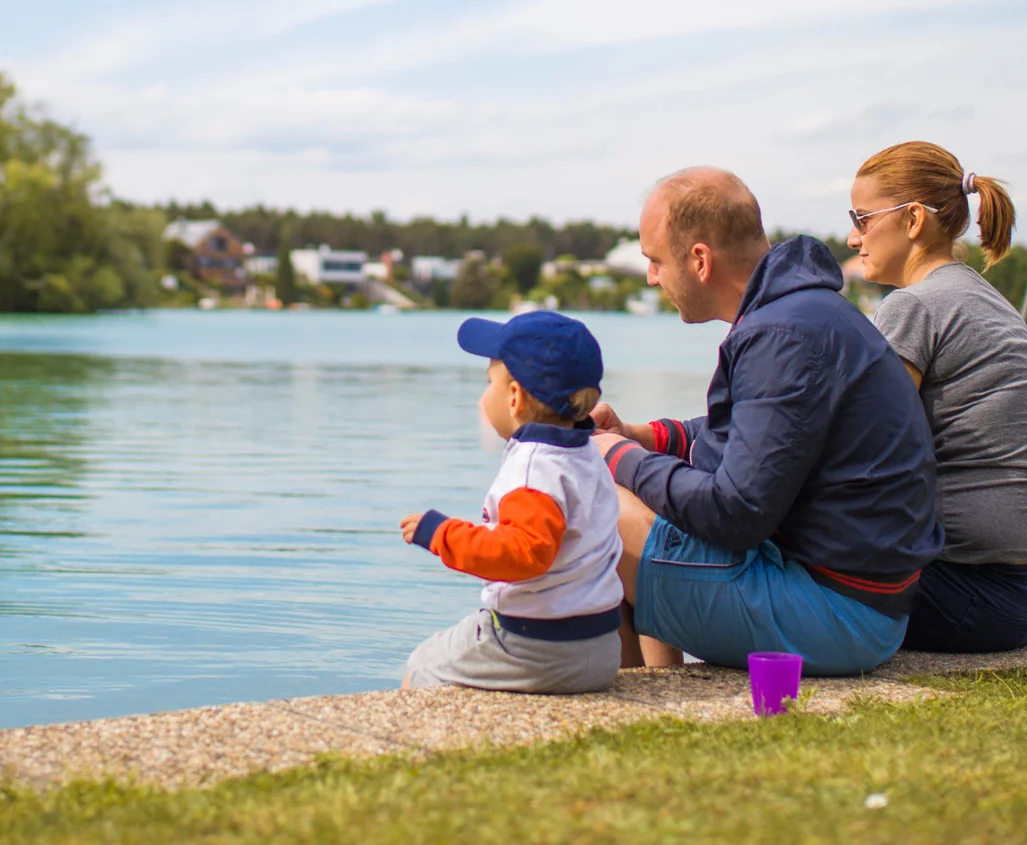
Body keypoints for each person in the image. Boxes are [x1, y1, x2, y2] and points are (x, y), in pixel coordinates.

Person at [591, 167, 943, 675]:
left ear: (700, 260)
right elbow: (754, 432)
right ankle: (656, 684)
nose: (651, 277)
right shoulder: (801, 311)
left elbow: (735, 513)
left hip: (838, 616)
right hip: (855, 598)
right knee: (625, 492)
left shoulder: (781, 335)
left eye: (655, 260)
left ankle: (648, 691)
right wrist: (640, 437)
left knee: (594, 505)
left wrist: (617, 457)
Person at [848, 141, 1027, 653]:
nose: (852, 235)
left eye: (862, 218)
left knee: (769, 560)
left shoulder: (913, 305)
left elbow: (866, 449)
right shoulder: (981, 296)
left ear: (911, 220)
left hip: (976, 594)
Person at [399, 311, 624, 692]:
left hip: (537, 647)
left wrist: (442, 533)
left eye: (490, 383)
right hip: (600, 646)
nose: (484, 395)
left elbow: (524, 552)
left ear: (515, 397)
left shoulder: (533, 469)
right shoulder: (585, 455)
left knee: (424, 663)